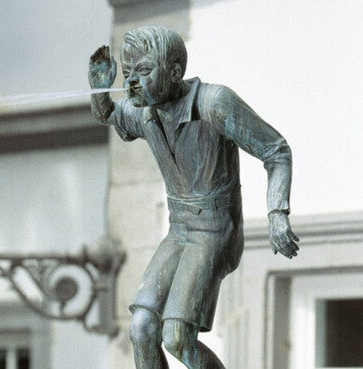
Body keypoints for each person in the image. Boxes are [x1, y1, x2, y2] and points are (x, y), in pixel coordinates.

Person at [88, 26, 299, 369]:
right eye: (128, 74)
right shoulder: (144, 111)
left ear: (174, 71)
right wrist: (99, 88)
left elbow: (276, 151)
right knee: (141, 327)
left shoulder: (214, 103)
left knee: (176, 338)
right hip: (180, 230)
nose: (131, 84)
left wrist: (277, 214)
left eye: (142, 71)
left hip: (216, 231)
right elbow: (110, 114)